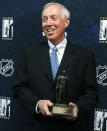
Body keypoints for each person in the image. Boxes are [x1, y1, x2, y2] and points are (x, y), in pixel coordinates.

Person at [12, 2, 99, 131]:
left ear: (66, 22)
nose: (48, 24)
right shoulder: (28, 53)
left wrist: (77, 108)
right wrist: (37, 104)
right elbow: (18, 88)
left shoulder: (84, 56)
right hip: (37, 126)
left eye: (53, 18)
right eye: (44, 19)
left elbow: (92, 93)